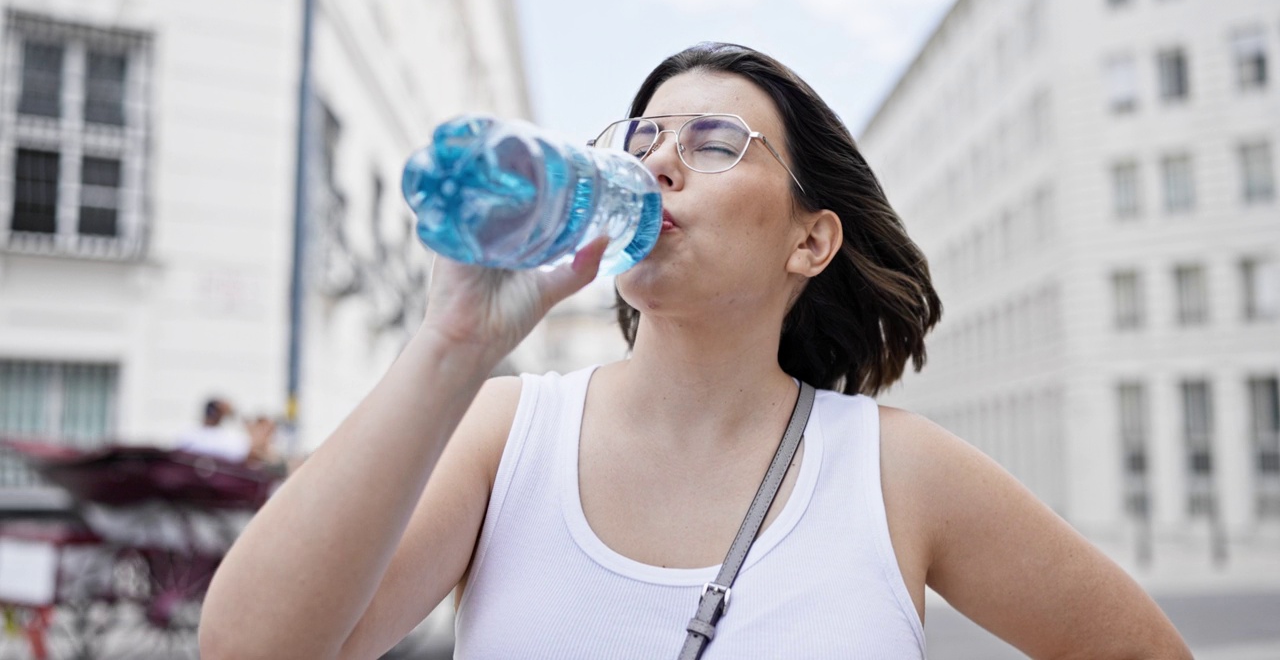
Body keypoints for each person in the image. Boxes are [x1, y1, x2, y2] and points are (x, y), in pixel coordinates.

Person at [200, 43, 1191, 659]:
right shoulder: (509, 435)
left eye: (714, 142)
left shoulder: (896, 470)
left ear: (810, 240)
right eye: (641, 137)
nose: (656, 159)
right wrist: (450, 345)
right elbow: (251, 648)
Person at [177, 397, 251, 463]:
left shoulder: (233, 438)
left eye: (218, 411)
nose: (214, 415)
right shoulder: (190, 433)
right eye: (214, 410)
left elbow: (240, 457)